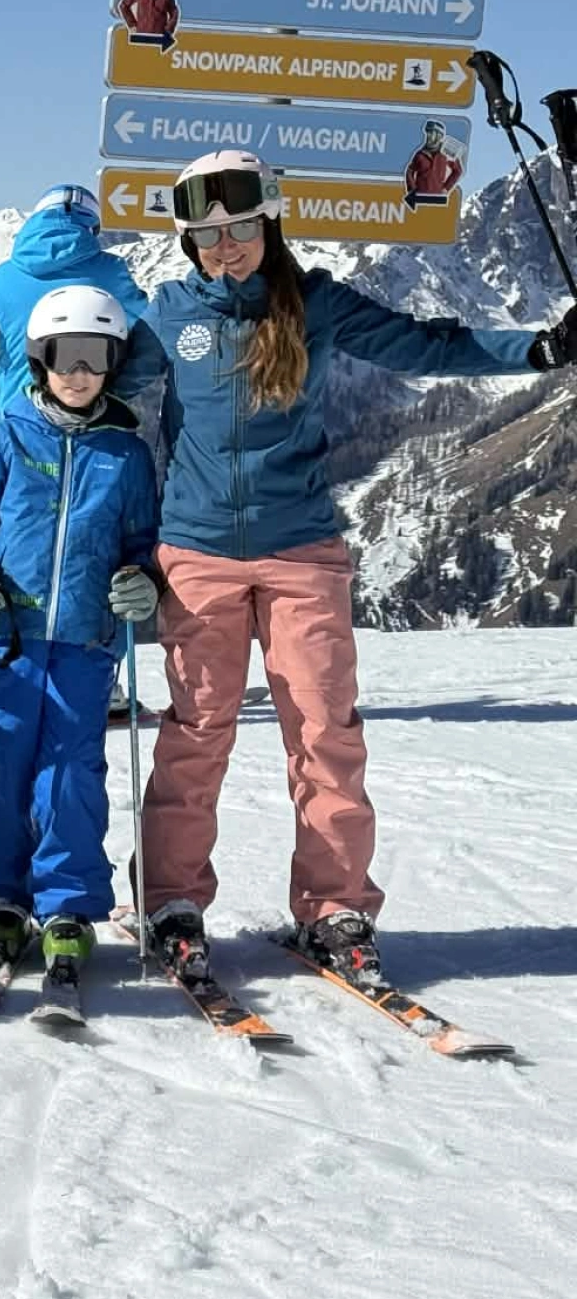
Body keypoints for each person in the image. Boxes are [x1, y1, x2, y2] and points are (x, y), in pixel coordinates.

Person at [138, 150, 577, 989]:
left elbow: (426, 345)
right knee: (196, 732)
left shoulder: (315, 304)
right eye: (207, 235)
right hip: (195, 551)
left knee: (325, 733)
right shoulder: (166, 313)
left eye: (240, 229)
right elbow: (85, 374)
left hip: (301, 549)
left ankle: (334, 908)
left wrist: (540, 349)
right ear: (188, 241)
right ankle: (172, 903)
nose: (225, 247)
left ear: (269, 223)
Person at [0, 286, 160, 998]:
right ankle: (4, 898)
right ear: (39, 360)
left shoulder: (125, 454)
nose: (79, 372)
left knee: (70, 776)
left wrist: (143, 579)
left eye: (95, 356)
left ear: (113, 363)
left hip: (86, 644)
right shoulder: (6, 436)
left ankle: (66, 905)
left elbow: (144, 539)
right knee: (4, 770)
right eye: (65, 356)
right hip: (10, 640)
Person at [0, 184, 162, 721]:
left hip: (14, 426)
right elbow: (149, 347)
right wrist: (107, 385)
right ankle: (102, 678)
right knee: (97, 548)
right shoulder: (111, 273)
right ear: (91, 225)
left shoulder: (1, 278)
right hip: (91, 433)